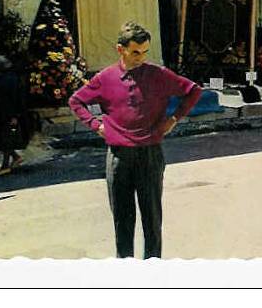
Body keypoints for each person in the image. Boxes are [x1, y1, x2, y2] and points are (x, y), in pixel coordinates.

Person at [68, 21, 203, 259]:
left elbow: (193, 91)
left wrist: (174, 119)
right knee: (122, 219)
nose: (141, 58)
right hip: (119, 157)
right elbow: (76, 101)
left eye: (145, 52)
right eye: (135, 52)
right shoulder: (105, 78)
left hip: (150, 154)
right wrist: (96, 125)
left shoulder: (158, 75)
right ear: (121, 50)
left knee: (152, 219)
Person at [0, 55, 28, 175]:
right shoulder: (10, 77)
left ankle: (6, 165)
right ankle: (15, 157)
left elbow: (11, 99)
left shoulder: (7, 80)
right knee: (5, 139)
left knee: (6, 139)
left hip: (8, 114)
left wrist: (13, 116)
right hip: (6, 114)